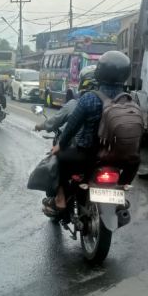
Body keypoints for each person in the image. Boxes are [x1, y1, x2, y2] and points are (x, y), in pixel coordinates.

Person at [46, 51, 132, 216]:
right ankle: (121, 192)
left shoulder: (89, 99)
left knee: (60, 159)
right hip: (120, 156)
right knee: (135, 161)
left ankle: (61, 198)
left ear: (100, 72)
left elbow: (71, 127)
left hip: (88, 155)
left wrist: (60, 146)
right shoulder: (130, 99)